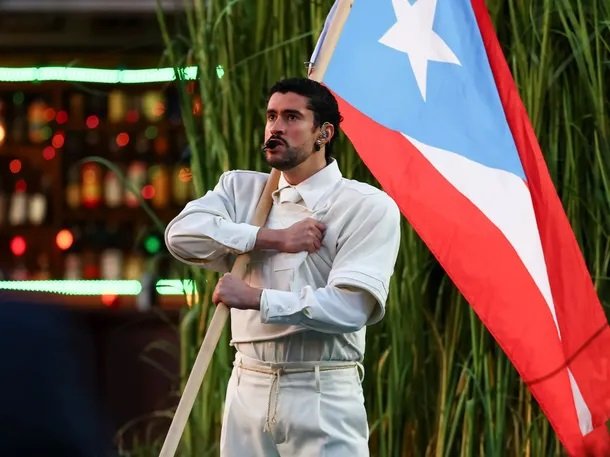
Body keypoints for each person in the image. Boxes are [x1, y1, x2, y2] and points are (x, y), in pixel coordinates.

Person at [165, 77, 400, 456]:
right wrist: (271, 238)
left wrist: (256, 298)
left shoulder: (366, 205)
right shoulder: (240, 191)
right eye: (271, 116)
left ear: (324, 133)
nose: (276, 127)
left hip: (321, 390)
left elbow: (350, 309)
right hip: (247, 384)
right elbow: (180, 236)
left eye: (292, 117)